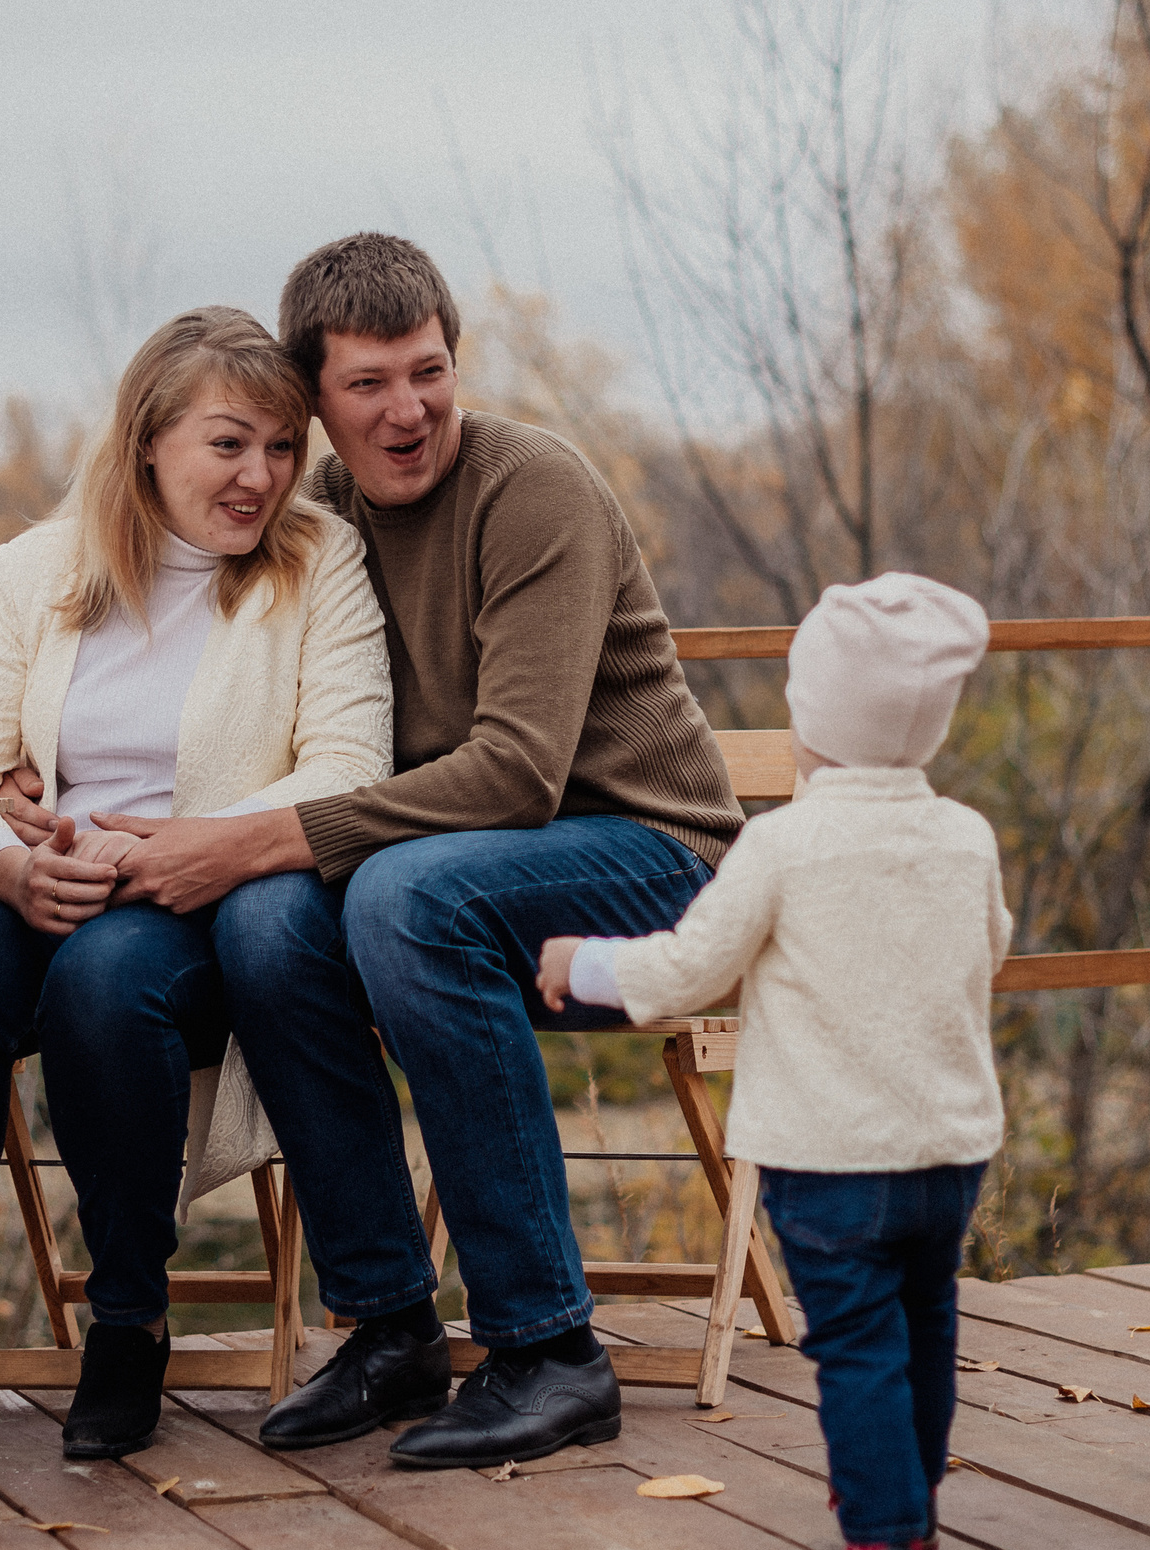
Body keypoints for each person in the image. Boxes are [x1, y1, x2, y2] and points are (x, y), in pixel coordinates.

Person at [88, 233, 745, 1468]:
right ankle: (391, 1324)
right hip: (457, 870)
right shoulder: (316, 520)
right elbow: (174, 655)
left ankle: (551, 1348)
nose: (408, 409)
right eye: (368, 384)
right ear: (313, 400)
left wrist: (255, 838)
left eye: (428, 370)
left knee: (390, 894)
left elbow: (517, 772)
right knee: (266, 923)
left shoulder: (530, 486)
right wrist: (34, 771)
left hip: (653, 861)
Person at [0, 306, 392, 1459]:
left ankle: (127, 1319)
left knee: (104, 980)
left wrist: (174, 847)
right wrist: (9, 865)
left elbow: (350, 766)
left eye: (280, 447)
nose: (261, 475)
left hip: (202, 902)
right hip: (44, 887)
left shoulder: (319, 565)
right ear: (150, 442)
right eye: (229, 443)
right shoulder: (39, 569)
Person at [535, 572, 1009, 1550]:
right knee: (923, 1319)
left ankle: (882, 1548)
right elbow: (994, 947)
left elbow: (683, 970)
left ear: (813, 722)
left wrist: (581, 961)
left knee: (853, 1342)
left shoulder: (783, 844)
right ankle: (914, 1506)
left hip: (830, 1155)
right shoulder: (964, 836)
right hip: (946, 1147)